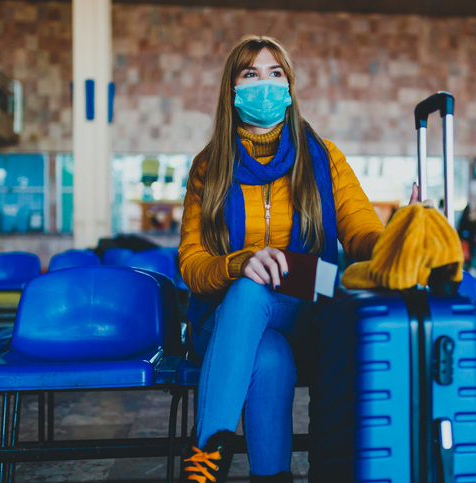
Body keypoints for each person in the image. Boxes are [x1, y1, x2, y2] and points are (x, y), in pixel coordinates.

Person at [178, 35, 420, 483]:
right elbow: (192, 264)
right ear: (232, 89)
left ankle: (207, 454)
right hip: (226, 311)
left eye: (276, 73)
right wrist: (239, 263)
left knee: (259, 290)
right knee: (268, 354)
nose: (265, 84)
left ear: (289, 87)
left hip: (311, 297)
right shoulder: (208, 166)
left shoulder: (324, 158)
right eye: (251, 73)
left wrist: (399, 235)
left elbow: (361, 231)